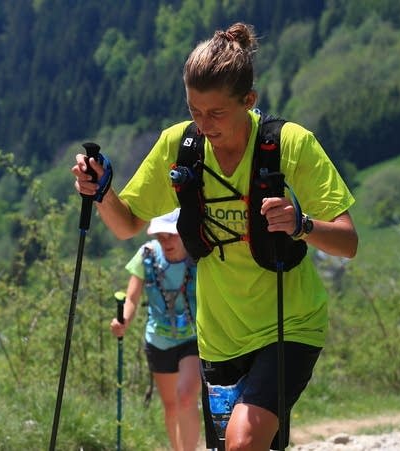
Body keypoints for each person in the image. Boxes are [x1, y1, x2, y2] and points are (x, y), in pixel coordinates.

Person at [73, 22, 358, 451]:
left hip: (290, 324)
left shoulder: (289, 143)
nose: (204, 124)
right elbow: (126, 223)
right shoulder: (180, 145)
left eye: (216, 113)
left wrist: (302, 225)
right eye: (194, 111)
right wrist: (101, 190)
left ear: (248, 101)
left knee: (243, 442)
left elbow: (348, 242)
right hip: (220, 337)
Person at [109, 208, 201, 451]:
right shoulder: (148, 255)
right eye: (161, 235)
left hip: (193, 338)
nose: (165, 241)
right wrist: (123, 321)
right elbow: (131, 298)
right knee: (171, 406)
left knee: (186, 397)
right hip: (158, 340)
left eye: (171, 235)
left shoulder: (199, 255)